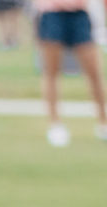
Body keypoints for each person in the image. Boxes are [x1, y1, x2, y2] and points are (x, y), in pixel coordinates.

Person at [34, 0, 107, 146]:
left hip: (79, 13)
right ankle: (55, 124)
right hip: (52, 13)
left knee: (94, 72)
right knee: (51, 72)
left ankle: (103, 122)